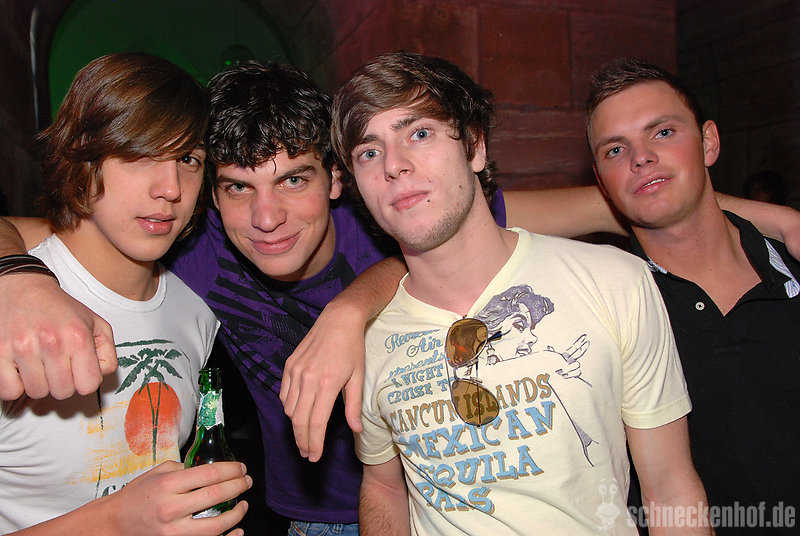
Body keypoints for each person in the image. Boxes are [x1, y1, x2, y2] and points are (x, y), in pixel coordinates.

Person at [0, 58, 796, 534]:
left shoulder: (385, 219)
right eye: (238, 187)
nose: (266, 218)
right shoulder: (194, 248)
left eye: (294, 181)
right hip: (309, 517)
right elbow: (44, 230)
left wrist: (767, 217)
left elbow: (606, 198)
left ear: (335, 181)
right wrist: (19, 281)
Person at [331, 51, 711, 535]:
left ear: (475, 147)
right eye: (369, 152)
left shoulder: (615, 281)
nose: (394, 165)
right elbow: (384, 488)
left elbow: (670, 487)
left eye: (420, 134)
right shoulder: (365, 339)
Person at [0, 53, 250, 535]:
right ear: (83, 159)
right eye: (140, 155)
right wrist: (116, 521)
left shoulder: (197, 310)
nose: (170, 189)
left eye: (188, 160)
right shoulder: (14, 307)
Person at [586, 58, 800, 533]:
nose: (641, 158)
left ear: (709, 142)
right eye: (616, 149)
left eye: (662, 133)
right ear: (600, 182)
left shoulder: (792, 263)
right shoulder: (603, 309)